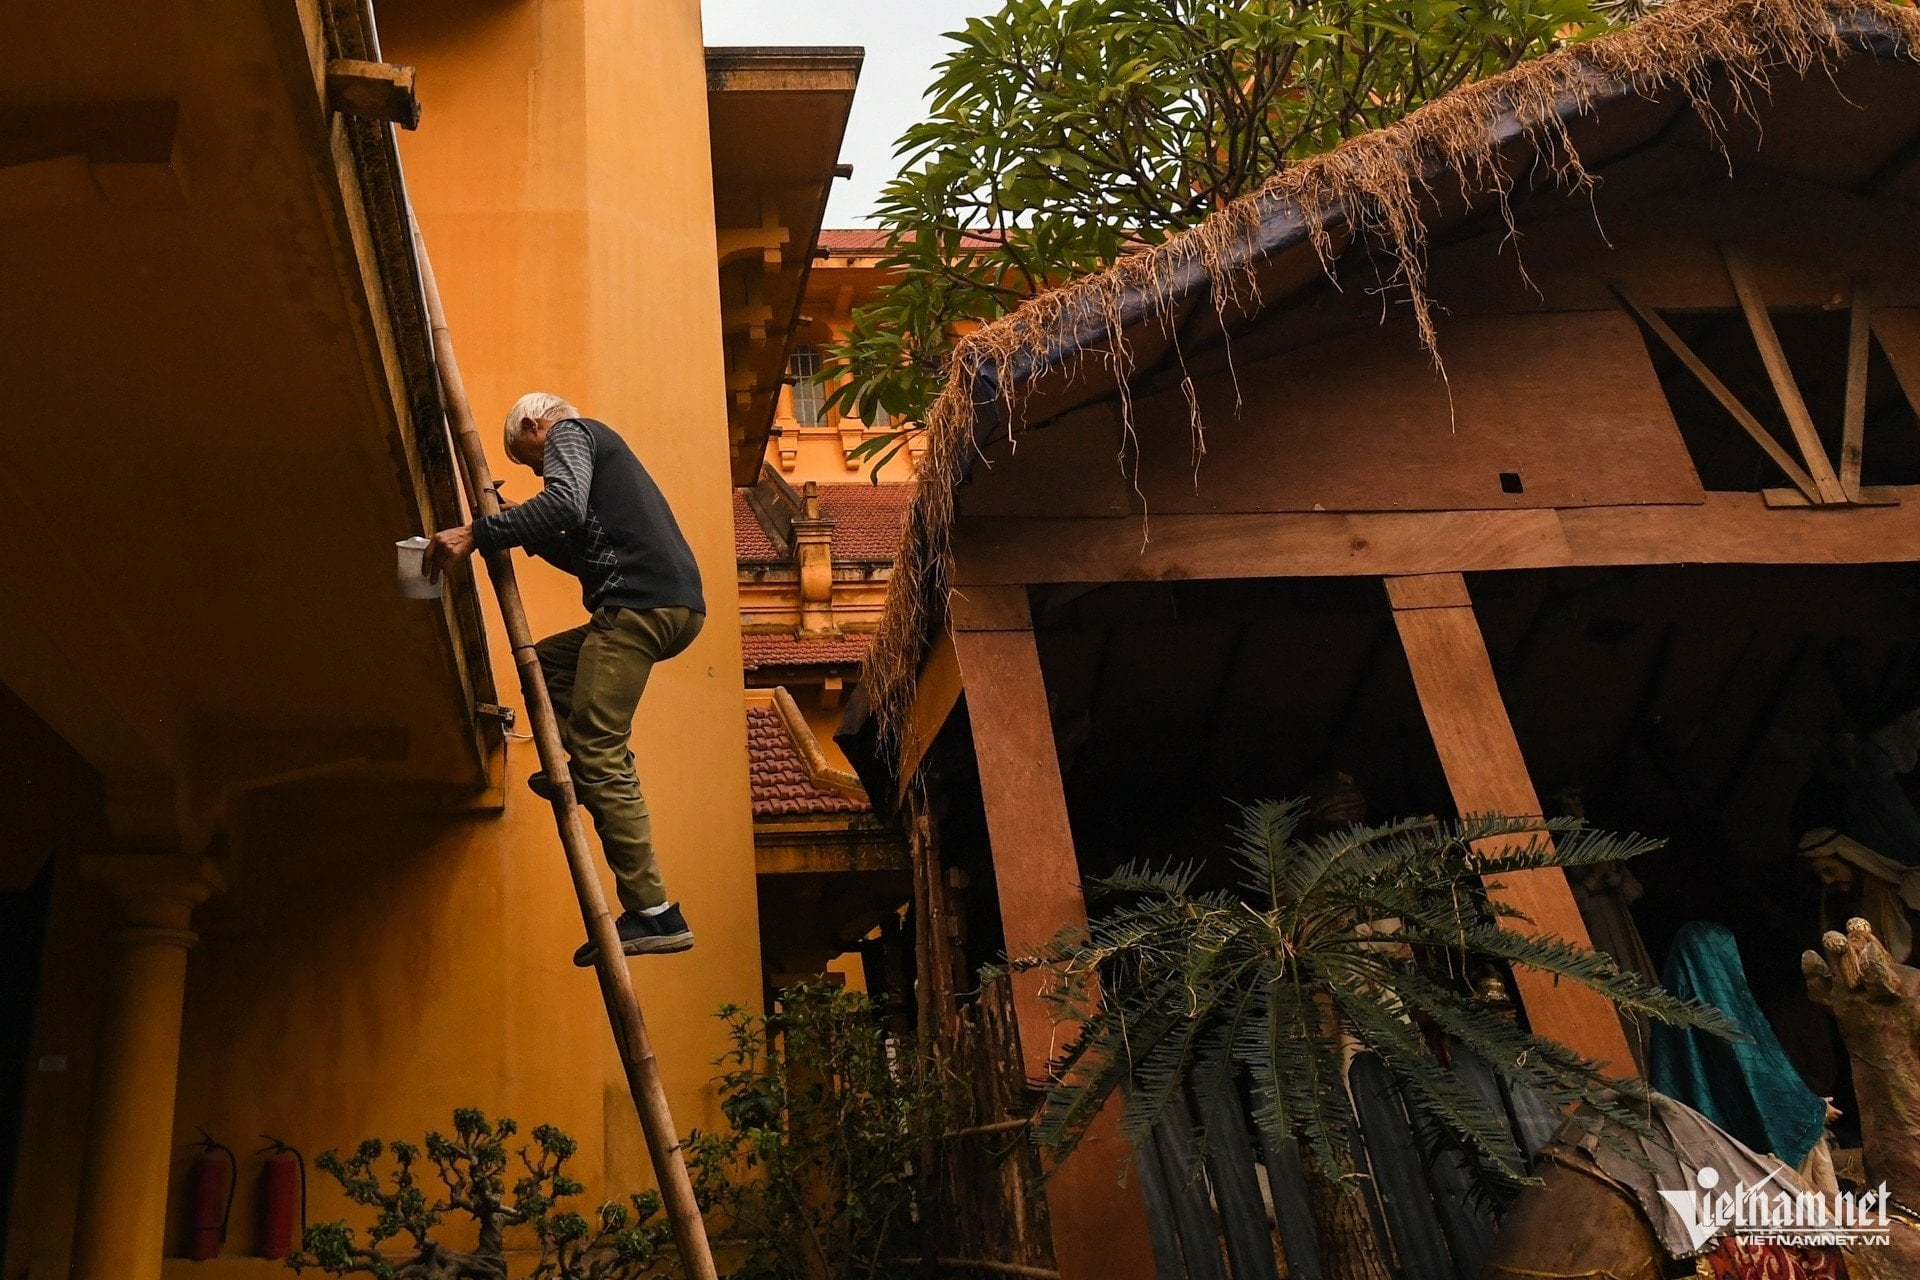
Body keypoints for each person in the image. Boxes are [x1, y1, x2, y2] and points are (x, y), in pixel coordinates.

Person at [426, 392, 706, 964]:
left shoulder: (571, 434)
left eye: (531, 459)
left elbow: (563, 507)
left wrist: (478, 532)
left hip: (637, 607)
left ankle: (655, 913)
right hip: (668, 606)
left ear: (534, 425)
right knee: (552, 661)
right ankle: (585, 775)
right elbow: (577, 548)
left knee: (604, 749)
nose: (537, 468)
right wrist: (514, 527)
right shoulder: (601, 460)